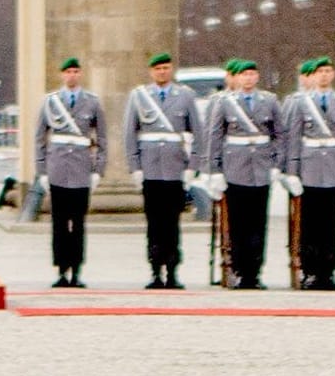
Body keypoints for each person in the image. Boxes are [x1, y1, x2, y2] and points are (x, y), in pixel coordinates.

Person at [124, 51, 201, 289]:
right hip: (150, 169)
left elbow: (198, 132)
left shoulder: (185, 96)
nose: (162, 72)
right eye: (158, 69)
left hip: (175, 168)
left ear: (171, 70)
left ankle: (173, 270)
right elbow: (129, 134)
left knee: (172, 223)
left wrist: (192, 167)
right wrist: (135, 167)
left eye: (166, 68)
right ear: (151, 72)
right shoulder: (139, 97)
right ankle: (155, 269)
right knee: (154, 223)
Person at [203, 59, 282, 290]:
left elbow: (279, 134)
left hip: (260, 167)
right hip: (235, 168)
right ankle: (238, 269)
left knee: (258, 223)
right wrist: (214, 170)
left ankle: (254, 271)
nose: (248, 78)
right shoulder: (225, 103)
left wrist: (276, 163)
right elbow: (215, 137)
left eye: (251, 74)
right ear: (236, 78)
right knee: (238, 224)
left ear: (257, 77)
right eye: (243, 75)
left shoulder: (269, 101)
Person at [281, 55, 335, 290]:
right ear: (313, 76)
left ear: (333, 75)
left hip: (333, 164)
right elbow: (292, 137)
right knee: (310, 222)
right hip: (309, 165)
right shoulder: (302, 102)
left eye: (327, 71)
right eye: (320, 71)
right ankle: (310, 270)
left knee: (330, 221)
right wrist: (291, 170)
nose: (324, 75)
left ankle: (328, 271)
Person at [35, 57, 106, 288]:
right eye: (68, 71)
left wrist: (98, 170)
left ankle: (76, 269)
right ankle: (61, 269)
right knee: (59, 223)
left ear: (80, 74)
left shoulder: (92, 102)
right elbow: (40, 139)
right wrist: (42, 170)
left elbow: (102, 138)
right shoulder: (50, 102)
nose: (72, 75)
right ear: (62, 75)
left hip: (80, 171)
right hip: (57, 169)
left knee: (78, 223)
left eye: (76, 71)